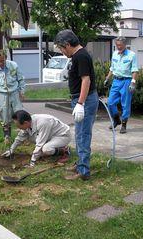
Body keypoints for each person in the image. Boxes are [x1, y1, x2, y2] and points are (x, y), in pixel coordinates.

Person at [54, 29, 99, 181]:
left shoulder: (81, 56)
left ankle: (84, 171)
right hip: (80, 100)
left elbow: (86, 81)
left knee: (83, 136)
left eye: (61, 48)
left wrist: (80, 103)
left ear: (67, 44)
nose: (61, 51)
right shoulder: (77, 56)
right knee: (79, 134)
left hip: (84, 101)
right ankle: (80, 163)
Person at [2, 110, 71, 167]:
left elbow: (39, 144)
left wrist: (32, 162)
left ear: (25, 123)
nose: (18, 128)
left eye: (19, 126)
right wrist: (11, 150)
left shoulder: (43, 123)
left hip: (62, 136)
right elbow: (19, 138)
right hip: (50, 136)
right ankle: (50, 150)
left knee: (46, 149)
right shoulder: (29, 122)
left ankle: (63, 150)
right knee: (31, 139)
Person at [104, 36, 138, 134]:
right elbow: (112, 68)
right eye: (117, 45)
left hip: (127, 81)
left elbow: (135, 70)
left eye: (120, 45)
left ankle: (124, 125)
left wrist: (133, 82)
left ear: (125, 44)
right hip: (116, 81)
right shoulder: (114, 54)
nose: (118, 47)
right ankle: (116, 119)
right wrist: (107, 78)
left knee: (125, 104)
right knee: (110, 102)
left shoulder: (132, 55)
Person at [0, 49, 25, 144]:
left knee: (19, 113)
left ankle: (24, 135)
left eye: (3, 60)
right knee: (4, 116)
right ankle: (7, 137)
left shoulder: (13, 65)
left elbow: (21, 79)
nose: (1, 63)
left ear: (6, 58)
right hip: (2, 94)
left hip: (14, 93)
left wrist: (22, 91)